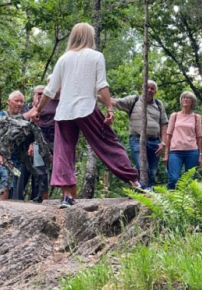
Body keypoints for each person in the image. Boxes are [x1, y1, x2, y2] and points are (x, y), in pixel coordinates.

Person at [28, 22, 144, 208]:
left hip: (64, 111)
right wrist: (109, 108)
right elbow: (102, 85)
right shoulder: (96, 56)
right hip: (86, 108)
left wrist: (38, 111)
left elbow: (50, 90)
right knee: (108, 143)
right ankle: (135, 184)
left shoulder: (63, 59)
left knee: (63, 151)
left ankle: (67, 196)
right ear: (90, 37)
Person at [112, 80, 168, 188]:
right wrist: (97, 95)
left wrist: (163, 142)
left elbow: (164, 124)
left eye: (152, 88)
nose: (149, 90)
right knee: (143, 168)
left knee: (152, 171)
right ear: (142, 89)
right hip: (137, 140)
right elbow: (115, 102)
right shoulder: (134, 100)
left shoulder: (159, 104)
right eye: (147, 87)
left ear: (155, 91)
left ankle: (144, 193)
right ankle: (145, 192)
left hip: (155, 141)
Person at [0, 90, 25, 200]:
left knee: (15, 178)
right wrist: (0, 158)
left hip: (15, 160)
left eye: (22, 101)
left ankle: (4, 205)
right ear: (9, 102)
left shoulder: (22, 120)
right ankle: (0, 203)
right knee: (6, 175)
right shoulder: (0, 116)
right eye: (16, 101)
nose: (19, 104)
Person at [163, 91, 202, 189]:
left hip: (192, 151)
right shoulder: (174, 115)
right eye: (183, 98)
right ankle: (170, 201)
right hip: (175, 151)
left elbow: (199, 137)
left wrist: (200, 155)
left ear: (192, 102)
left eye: (188, 98)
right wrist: (166, 154)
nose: (185, 99)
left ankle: (189, 203)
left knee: (190, 180)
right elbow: (168, 135)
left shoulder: (196, 117)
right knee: (173, 179)